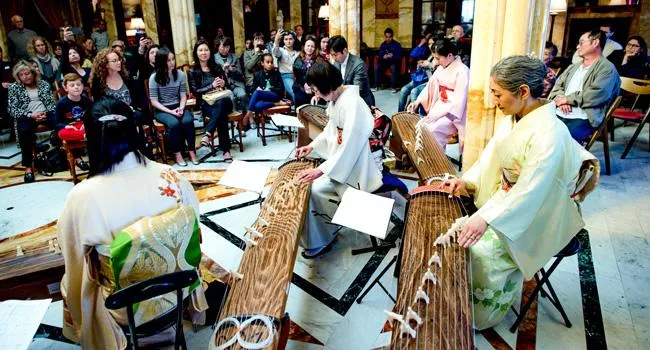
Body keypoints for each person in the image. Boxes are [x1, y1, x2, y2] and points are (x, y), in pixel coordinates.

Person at [442, 55, 598, 330]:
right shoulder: (517, 117)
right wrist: (467, 182)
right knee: (460, 234)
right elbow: (491, 157)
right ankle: (464, 298)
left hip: (538, 214)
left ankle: (481, 316)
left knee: (479, 253)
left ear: (523, 92)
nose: (493, 100)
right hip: (510, 201)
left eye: (497, 93)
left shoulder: (550, 134)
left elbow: (531, 191)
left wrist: (486, 217)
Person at [57, 96, 208, 349]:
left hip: (123, 305)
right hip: (176, 291)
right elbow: (195, 227)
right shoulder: (171, 176)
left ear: (91, 140)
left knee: (74, 275)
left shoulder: (82, 196)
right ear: (135, 132)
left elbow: (71, 253)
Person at [294, 61, 382, 258]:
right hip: (343, 163)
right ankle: (321, 235)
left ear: (327, 85)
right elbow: (331, 131)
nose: (316, 94)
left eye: (317, 89)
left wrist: (321, 170)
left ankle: (323, 237)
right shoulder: (337, 99)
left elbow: (350, 147)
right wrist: (312, 146)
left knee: (315, 189)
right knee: (312, 188)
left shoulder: (353, 105)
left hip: (358, 168)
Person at [549, 30, 621, 142]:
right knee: (536, 130)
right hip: (559, 112)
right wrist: (560, 99)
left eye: (581, 42)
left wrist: (567, 99)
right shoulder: (573, 67)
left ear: (596, 42)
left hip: (584, 117)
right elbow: (557, 87)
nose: (577, 46)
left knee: (560, 139)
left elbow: (597, 94)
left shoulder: (607, 69)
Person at [407, 39, 469, 150]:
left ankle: (437, 164)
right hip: (440, 105)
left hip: (454, 114)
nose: (435, 61)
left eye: (437, 58)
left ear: (449, 55)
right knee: (421, 127)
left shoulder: (463, 72)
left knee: (432, 131)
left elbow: (460, 102)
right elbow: (430, 86)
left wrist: (438, 115)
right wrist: (417, 101)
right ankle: (427, 161)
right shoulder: (441, 68)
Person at [7, 60, 56, 183]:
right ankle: (28, 166)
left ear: (33, 73)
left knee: (60, 124)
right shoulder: (14, 87)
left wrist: (45, 113)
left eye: (27, 73)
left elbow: (51, 104)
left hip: (46, 112)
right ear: (18, 77)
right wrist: (31, 115)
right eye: (21, 75)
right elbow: (12, 109)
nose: (25, 77)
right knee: (24, 130)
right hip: (27, 115)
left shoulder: (43, 84)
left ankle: (74, 156)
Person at [149, 48, 198, 166]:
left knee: (188, 120)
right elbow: (154, 101)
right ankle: (177, 153)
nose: (172, 62)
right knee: (174, 123)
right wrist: (171, 111)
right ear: (161, 62)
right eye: (168, 60)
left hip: (178, 105)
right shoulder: (154, 78)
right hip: (162, 109)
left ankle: (191, 151)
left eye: (173, 59)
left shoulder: (180, 75)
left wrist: (181, 108)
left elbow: (183, 95)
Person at [188, 40, 234, 163]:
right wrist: (212, 86)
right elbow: (195, 91)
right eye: (201, 50)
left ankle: (208, 133)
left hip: (224, 100)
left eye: (206, 50)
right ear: (196, 53)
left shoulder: (217, 67)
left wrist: (224, 83)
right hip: (207, 104)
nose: (204, 53)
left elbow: (228, 87)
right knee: (221, 115)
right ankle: (226, 151)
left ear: (210, 52)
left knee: (222, 103)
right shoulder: (192, 71)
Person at [241, 53, 290, 129]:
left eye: (271, 62)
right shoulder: (257, 74)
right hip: (263, 97)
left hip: (274, 95)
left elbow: (281, 89)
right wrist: (257, 89)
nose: (270, 64)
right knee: (257, 105)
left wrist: (270, 89)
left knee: (257, 93)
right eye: (267, 62)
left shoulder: (276, 73)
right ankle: (277, 104)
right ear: (262, 63)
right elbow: (253, 88)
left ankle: (247, 115)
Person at [55, 73, 92, 170]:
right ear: (66, 88)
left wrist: (87, 124)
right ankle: (78, 158)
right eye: (72, 85)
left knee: (97, 128)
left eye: (78, 85)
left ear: (82, 86)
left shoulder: (87, 101)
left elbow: (93, 117)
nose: (76, 87)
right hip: (71, 128)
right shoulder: (61, 104)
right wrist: (67, 126)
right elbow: (57, 123)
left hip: (84, 126)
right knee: (62, 133)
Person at [329, 35, 375, 107]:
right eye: (332, 55)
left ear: (345, 51)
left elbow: (357, 90)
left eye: (335, 55)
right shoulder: (336, 63)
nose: (334, 58)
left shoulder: (359, 64)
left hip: (361, 103)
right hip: (343, 100)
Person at [214, 37, 249, 113]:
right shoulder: (214, 58)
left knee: (243, 95)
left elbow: (241, 76)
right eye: (223, 47)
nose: (226, 49)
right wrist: (222, 69)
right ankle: (235, 119)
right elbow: (213, 74)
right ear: (218, 46)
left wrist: (234, 71)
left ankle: (248, 117)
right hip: (222, 86)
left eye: (227, 47)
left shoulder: (234, 57)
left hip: (236, 84)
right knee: (231, 98)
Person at [398, 35, 433, 111]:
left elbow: (435, 71)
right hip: (418, 78)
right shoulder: (425, 50)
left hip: (426, 81)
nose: (430, 46)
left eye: (432, 44)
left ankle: (412, 118)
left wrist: (429, 65)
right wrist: (420, 45)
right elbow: (412, 55)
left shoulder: (437, 55)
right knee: (403, 90)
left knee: (414, 92)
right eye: (429, 43)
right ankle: (399, 114)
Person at [293, 36, 322, 107]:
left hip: (315, 88)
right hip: (301, 87)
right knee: (299, 98)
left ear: (315, 48)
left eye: (312, 46)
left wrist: (313, 87)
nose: (310, 48)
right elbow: (298, 76)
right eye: (308, 46)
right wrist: (304, 85)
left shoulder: (319, 59)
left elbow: (321, 76)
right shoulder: (298, 59)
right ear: (304, 46)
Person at [272, 29, 299, 102]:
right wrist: (276, 41)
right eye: (286, 39)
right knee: (294, 93)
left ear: (294, 40)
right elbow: (275, 53)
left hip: (298, 77)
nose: (288, 41)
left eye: (290, 39)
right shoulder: (281, 50)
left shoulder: (298, 52)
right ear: (283, 40)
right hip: (286, 76)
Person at [374, 28, 402, 93]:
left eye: (390, 37)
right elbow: (380, 54)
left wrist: (392, 56)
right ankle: (377, 86)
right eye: (386, 37)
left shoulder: (397, 45)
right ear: (385, 36)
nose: (388, 39)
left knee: (393, 68)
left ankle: (393, 87)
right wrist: (383, 56)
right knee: (377, 68)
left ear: (392, 36)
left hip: (394, 62)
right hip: (385, 62)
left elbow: (399, 57)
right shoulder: (383, 44)